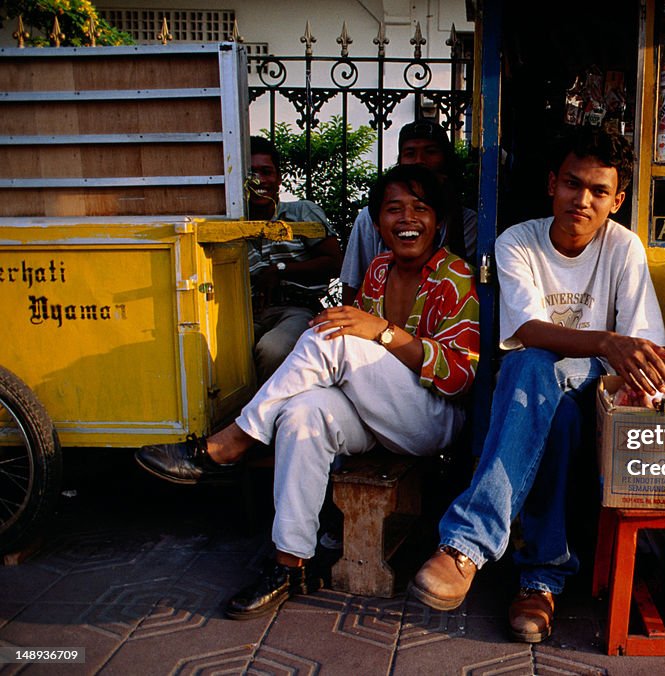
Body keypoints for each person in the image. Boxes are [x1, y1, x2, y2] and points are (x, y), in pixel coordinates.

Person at [135, 165, 480, 618]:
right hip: (381, 414)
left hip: (432, 419)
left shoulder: (454, 275)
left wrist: (383, 332)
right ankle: (290, 562)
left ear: (438, 221)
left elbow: (461, 377)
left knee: (331, 337)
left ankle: (232, 442)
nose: (407, 218)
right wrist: (370, 336)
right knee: (303, 412)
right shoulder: (377, 270)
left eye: (420, 208)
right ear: (377, 222)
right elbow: (360, 368)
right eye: (394, 209)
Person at [409, 127, 665, 644]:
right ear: (552, 183)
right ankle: (540, 581)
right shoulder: (518, 242)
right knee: (538, 375)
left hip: (594, 386)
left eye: (600, 191)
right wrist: (605, 341)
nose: (583, 200)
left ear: (617, 200)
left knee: (544, 377)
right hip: (534, 386)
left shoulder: (623, 247)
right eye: (573, 184)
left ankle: (466, 547)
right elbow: (526, 330)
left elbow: (642, 346)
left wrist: (619, 356)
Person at [339, 119, 477, 306]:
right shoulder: (370, 224)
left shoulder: (467, 222)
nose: (420, 161)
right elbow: (352, 285)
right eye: (410, 153)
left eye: (430, 152)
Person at [248, 136, 343, 381]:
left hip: (296, 308)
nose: (258, 179)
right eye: (251, 172)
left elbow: (334, 262)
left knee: (274, 349)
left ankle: (267, 417)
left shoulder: (301, 212)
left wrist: (280, 270)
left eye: (266, 172)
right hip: (246, 313)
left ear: (278, 179)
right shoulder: (229, 223)